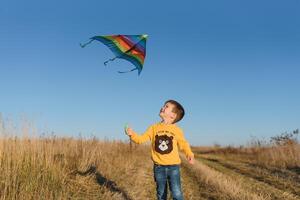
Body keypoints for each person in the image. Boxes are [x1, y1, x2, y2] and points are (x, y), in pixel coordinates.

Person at [125, 99, 194, 200]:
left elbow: (183, 143)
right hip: (159, 167)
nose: (162, 107)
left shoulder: (177, 130)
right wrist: (132, 134)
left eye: (166, 106)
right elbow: (141, 139)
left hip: (173, 167)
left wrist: (189, 154)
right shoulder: (153, 128)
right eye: (163, 105)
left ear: (173, 116)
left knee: (176, 193)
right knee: (161, 193)